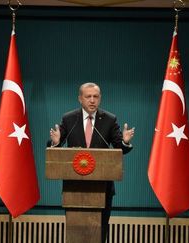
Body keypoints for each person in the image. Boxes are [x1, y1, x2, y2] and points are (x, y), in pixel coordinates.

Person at [49, 82, 135, 242]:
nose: (92, 100)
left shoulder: (109, 119)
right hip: (74, 188)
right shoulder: (69, 119)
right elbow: (56, 146)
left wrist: (125, 141)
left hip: (102, 188)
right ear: (80, 99)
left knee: (100, 230)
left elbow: (119, 147)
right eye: (88, 96)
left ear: (100, 98)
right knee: (76, 232)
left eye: (95, 96)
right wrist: (55, 142)